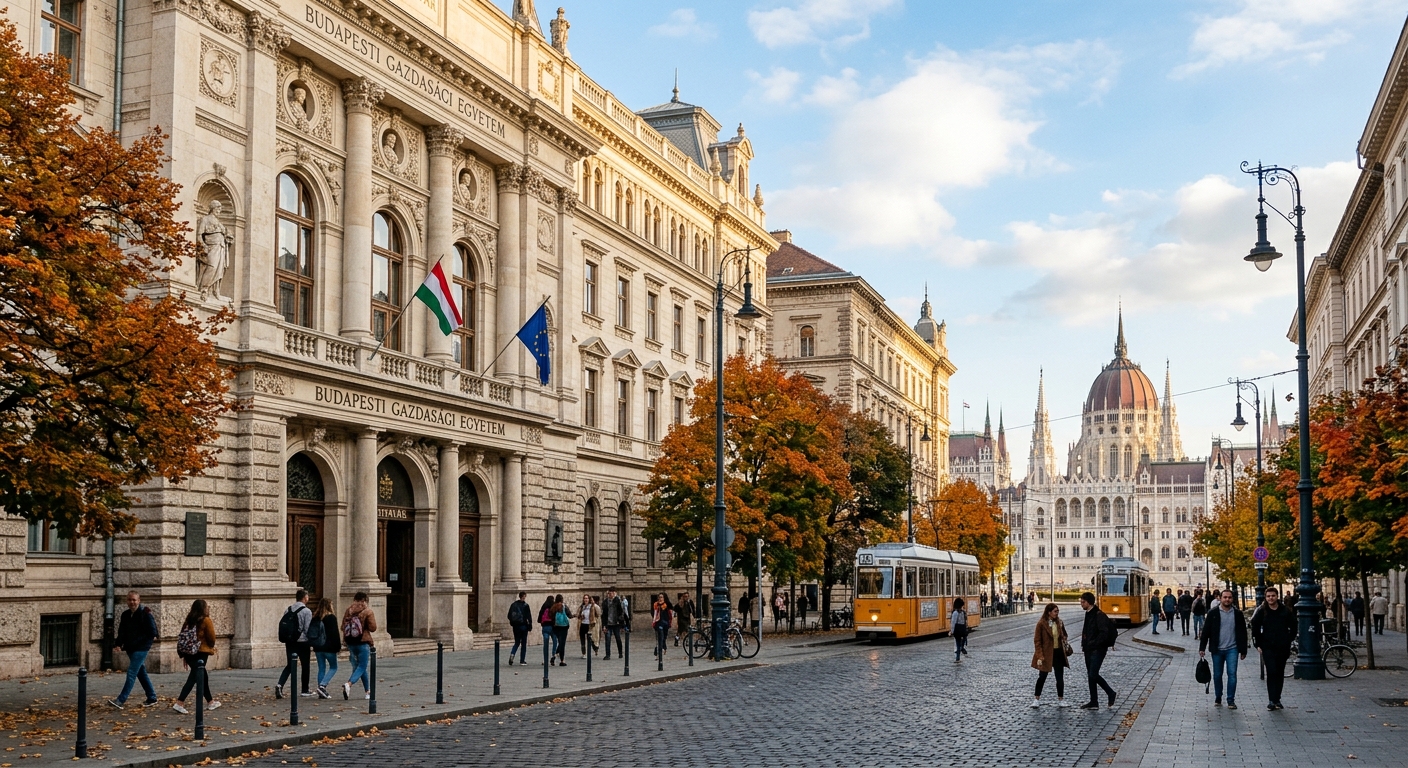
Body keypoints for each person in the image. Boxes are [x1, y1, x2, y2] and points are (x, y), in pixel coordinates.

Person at [108, 591, 159, 709]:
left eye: (134, 600)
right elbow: (122, 631)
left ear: (139, 601)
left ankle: (120, 700)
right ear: (127, 601)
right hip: (131, 648)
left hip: (141, 648)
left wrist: (141, 642)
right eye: (130, 600)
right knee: (141, 673)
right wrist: (118, 644)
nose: (132, 602)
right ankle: (152, 697)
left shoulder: (145, 613)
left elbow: (152, 632)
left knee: (131, 672)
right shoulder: (125, 614)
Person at [1199, 588, 1248, 709]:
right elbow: (1206, 631)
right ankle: (1218, 697)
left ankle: (1230, 699)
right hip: (1217, 649)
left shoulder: (1237, 614)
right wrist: (1202, 647)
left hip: (1233, 648)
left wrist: (1243, 650)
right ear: (1220, 598)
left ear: (1232, 599)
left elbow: (1243, 632)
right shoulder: (1213, 613)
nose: (1227, 599)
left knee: (1232, 674)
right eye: (1225, 597)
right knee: (1217, 674)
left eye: (1229, 597)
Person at [1250, 586, 1296, 710]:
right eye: (1268, 596)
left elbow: (1293, 626)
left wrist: (1288, 639)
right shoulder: (1262, 611)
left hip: (1282, 646)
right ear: (1266, 598)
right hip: (1267, 646)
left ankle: (1277, 699)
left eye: (1273, 596)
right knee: (1271, 671)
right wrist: (1258, 644)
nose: (1271, 598)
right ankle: (1271, 700)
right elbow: (1255, 628)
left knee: (1280, 672)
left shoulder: (1285, 611)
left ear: (1277, 597)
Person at [172, 599, 220, 714]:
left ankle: (210, 702)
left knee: (202, 676)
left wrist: (185, 654)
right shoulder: (206, 620)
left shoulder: (189, 620)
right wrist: (211, 646)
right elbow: (211, 637)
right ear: (204, 608)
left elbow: (184, 637)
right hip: (201, 652)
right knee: (194, 676)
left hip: (188, 652)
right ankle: (180, 702)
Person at [1078, 591, 1118, 710]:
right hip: (1088, 649)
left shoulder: (1099, 615)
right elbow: (1086, 630)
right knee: (1091, 676)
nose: (1081, 604)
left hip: (1098, 650)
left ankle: (1110, 693)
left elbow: (1103, 633)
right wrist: (1084, 644)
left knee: (1093, 674)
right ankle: (1094, 701)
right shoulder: (1088, 613)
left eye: (1083, 602)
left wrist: (1094, 643)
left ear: (1089, 602)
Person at [1031, 603, 1072, 708]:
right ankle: (1036, 699)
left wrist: (1064, 639)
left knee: (1059, 678)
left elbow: (1065, 634)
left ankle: (1061, 699)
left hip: (1058, 653)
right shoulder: (1041, 623)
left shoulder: (1059, 622)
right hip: (1046, 654)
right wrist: (1040, 655)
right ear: (1049, 612)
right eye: (1055, 611)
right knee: (1042, 677)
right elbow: (1037, 641)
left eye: (1058, 611)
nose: (1057, 613)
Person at [275, 588, 313, 699]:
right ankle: (305, 690)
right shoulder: (307, 611)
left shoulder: (288, 609)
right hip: (302, 641)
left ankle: (280, 684)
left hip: (290, 641)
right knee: (305, 665)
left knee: (290, 665)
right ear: (305, 598)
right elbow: (307, 628)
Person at [341, 591, 377, 700]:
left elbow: (343, 626)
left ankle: (368, 691)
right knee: (362, 666)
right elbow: (373, 628)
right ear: (365, 600)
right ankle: (349, 684)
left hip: (351, 643)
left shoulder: (349, 610)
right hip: (363, 642)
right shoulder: (367, 612)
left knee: (359, 667)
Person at [312, 597, 340, 698]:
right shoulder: (331, 618)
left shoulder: (316, 617)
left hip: (318, 647)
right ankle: (322, 686)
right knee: (333, 667)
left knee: (321, 668)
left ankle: (321, 690)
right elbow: (334, 634)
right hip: (329, 647)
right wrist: (338, 647)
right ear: (329, 606)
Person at [507, 591, 532, 665]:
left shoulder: (513, 605)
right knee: (523, 644)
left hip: (516, 627)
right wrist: (530, 626)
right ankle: (522, 660)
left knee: (517, 642)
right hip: (523, 626)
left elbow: (509, 616)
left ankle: (512, 654)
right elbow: (529, 617)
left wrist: (513, 623)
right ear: (524, 596)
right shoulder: (526, 605)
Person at [603, 588, 629, 660]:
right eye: (608, 593)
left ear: (614, 593)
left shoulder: (617, 601)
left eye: (611, 593)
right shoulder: (605, 602)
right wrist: (604, 625)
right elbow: (604, 615)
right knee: (607, 639)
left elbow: (621, 613)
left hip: (616, 624)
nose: (609, 595)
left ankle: (620, 653)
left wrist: (622, 625)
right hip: (608, 624)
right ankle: (608, 655)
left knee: (618, 638)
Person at [551, 595, 571, 666]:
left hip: (556, 627)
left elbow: (551, 616)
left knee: (560, 642)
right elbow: (569, 615)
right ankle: (562, 660)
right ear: (562, 599)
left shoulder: (553, 606)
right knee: (562, 644)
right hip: (564, 627)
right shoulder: (564, 606)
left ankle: (555, 656)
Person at [652, 594, 673, 660]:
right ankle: (657, 654)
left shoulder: (666, 605)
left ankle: (664, 648)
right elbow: (654, 613)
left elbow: (671, 611)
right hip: (658, 623)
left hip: (665, 623)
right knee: (659, 639)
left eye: (661, 597)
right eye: (659, 597)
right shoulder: (656, 605)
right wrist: (654, 622)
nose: (660, 598)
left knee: (664, 638)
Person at [950, 598, 969, 662]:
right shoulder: (963, 612)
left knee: (957, 643)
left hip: (957, 630)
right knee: (962, 641)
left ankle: (957, 658)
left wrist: (952, 631)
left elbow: (953, 622)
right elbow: (965, 621)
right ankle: (962, 648)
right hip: (963, 629)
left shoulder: (955, 613)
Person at [578, 593, 597, 658]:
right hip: (583, 624)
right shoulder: (582, 607)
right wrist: (580, 616)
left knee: (590, 639)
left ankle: (595, 649)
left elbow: (597, 614)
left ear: (589, 599)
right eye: (584, 598)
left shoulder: (592, 606)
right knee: (582, 639)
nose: (585, 599)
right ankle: (584, 653)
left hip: (589, 624)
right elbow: (578, 615)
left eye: (587, 598)